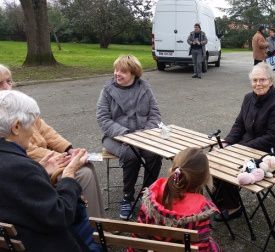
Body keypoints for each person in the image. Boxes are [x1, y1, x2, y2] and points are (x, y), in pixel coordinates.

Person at [0, 64, 105, 218]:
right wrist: (65, 160)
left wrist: (68, 149)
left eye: (9, 81)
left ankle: (99, 222)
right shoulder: (6, 118)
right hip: (31, 165)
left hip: (41, 162)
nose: (7, 87)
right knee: (82, 174)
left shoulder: (19, 105)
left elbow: (46, 131)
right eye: (0, 83)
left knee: (87, 164)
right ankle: (91, 230)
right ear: (16, 127)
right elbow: (25, 151)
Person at [0, 90, 89, 251]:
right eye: (30, 125)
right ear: (16, 127)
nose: (33, 132)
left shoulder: (15, 162)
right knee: (80, 213)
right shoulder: (21, 167)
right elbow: (60, 215)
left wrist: (41, 171)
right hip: (41, 244)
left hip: (11, 241)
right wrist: (69, 175)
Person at [213, 62, 275, 221]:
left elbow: (272, 137)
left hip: (269, 152)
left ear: (271, 81)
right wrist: (227, 142)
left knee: (229, 164)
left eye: (262, 80)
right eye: (255, 80)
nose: (258, 84)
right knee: (217, 158)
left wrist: (238, 148)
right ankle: (222, 200)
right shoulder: (248, 98)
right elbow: (239, 124)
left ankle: (234, 207)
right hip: (247, 145)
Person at [97, 55, 163, 220]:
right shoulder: (107, 90)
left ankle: (147, 193)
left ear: (134, 73)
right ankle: (127, 197)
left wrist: (146, 133)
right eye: (116, 70)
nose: (117, 74)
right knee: (131, 155)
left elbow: (155, 114)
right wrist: (125, 134)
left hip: (143, 135)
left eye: (123, 71)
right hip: (116, 137)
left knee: (154, 153)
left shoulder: (144, 88)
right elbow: (103, 119)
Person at [130, 148, 220, 252]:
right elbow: (201, 248)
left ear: (174, 169)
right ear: (204, 179)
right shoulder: (200, 210)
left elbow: (139, 235)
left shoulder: (152, 194)